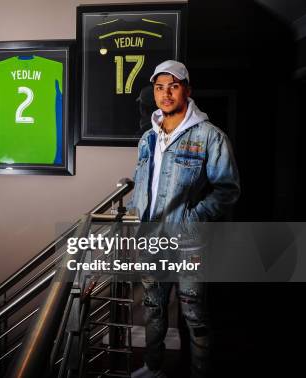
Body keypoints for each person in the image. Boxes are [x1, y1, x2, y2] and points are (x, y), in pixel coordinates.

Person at [128, 60, 241, 378]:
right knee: (153, 310)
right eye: (159, 87)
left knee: (194, 315)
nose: (165, 94)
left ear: (187, 90)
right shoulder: (148, 139)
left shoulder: (209, 137)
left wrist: (191, 218)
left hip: (189, 243)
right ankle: (153, 368)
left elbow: (227, 190)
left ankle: (200, 372)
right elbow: (144, 186)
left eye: (173, 86)